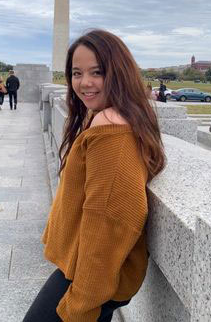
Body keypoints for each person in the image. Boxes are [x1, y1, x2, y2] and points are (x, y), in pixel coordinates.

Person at [23, 30, 166, 322]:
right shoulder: (114, 115)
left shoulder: (111, 126)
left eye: (97, 72)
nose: (84, 83)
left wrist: (82, 303)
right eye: (76, 73)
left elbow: (109, 219)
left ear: (118, 73)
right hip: (88, 270)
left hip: (90, 279)